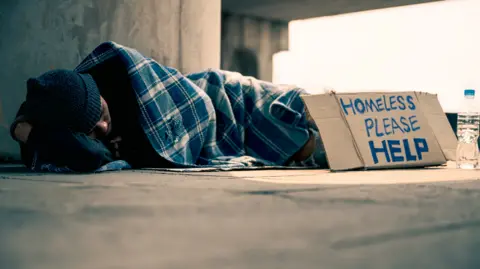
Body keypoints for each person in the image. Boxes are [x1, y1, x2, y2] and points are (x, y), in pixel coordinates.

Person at [10, 41, 327, 173]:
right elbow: (92, 156)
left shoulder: (124, 81)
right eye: (91, 131)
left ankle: (322, 114)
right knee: (303, 147)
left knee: (293, 118)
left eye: (103, 115)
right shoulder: (58, 127)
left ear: (100, 94)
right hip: (227, 128)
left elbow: (196, 105)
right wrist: (25, 131)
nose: (104, 129)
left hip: (222, 100)